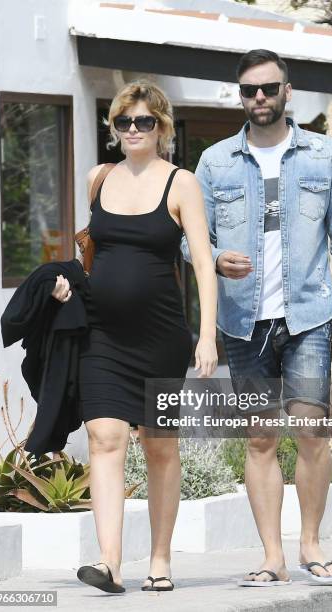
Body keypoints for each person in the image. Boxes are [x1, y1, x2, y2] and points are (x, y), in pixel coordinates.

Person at [180, 49, 332, 586]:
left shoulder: (324, 155)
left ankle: (311, 544)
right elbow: (188, 239)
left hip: (309, 314)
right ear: (239, 96)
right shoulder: (215, 161)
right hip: (243, 322)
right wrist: (214, 258)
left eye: (268, 88)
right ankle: (271, 556)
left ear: (289, 91)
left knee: (312, 432)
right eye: (249, 91)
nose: (258, 98)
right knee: (260, 438)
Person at [52, 81, 218, 593]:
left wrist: (207, 335)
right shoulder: (98, 179)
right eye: (124, 122)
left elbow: (203, 266)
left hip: (162, 338)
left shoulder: (182, 184)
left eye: (143, 122)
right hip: (102, 334)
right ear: (114, 128)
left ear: (161, 127)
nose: (132, 131)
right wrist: (67, 287)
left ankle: (161, 559)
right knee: (104, 437)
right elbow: (91, 250)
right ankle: (109, 563)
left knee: (161, 446)